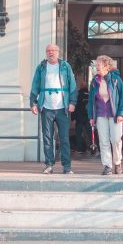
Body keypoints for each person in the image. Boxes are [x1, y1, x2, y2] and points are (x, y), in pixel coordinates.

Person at [29, 44, 77, 174]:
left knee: (64, 138)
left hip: (63, 108)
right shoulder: (41, 67)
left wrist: (72, 102)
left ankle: (66, 167)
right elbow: (35, 85)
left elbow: (72, 85)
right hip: (46, 108)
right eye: (48, 51)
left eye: (53, 50)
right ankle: (49, 165)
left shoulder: (65, 66)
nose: (51, 53)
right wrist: (33, 103)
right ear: (46, 53)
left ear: (58, 52)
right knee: (47, 137)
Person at [88, 55, 123, 175]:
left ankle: (117, 162)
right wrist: (91, 117)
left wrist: (121, 113)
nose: (96, 67)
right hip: (100, 114)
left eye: (98, 65)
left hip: (115, 114)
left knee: (115, 139)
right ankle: (107, 166)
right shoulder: (94, 81)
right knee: (104, 141)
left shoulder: (116, 80)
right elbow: (91, 101)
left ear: (106, 66)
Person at [73, 80, 92, 154]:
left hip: (79, 118)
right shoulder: (89, 94)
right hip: (88, 117)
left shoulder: (78, 95)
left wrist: (73, 118)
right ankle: (92, 147)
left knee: (79, 134)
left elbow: (76, 107)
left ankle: (80, 148)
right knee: (89, 133)